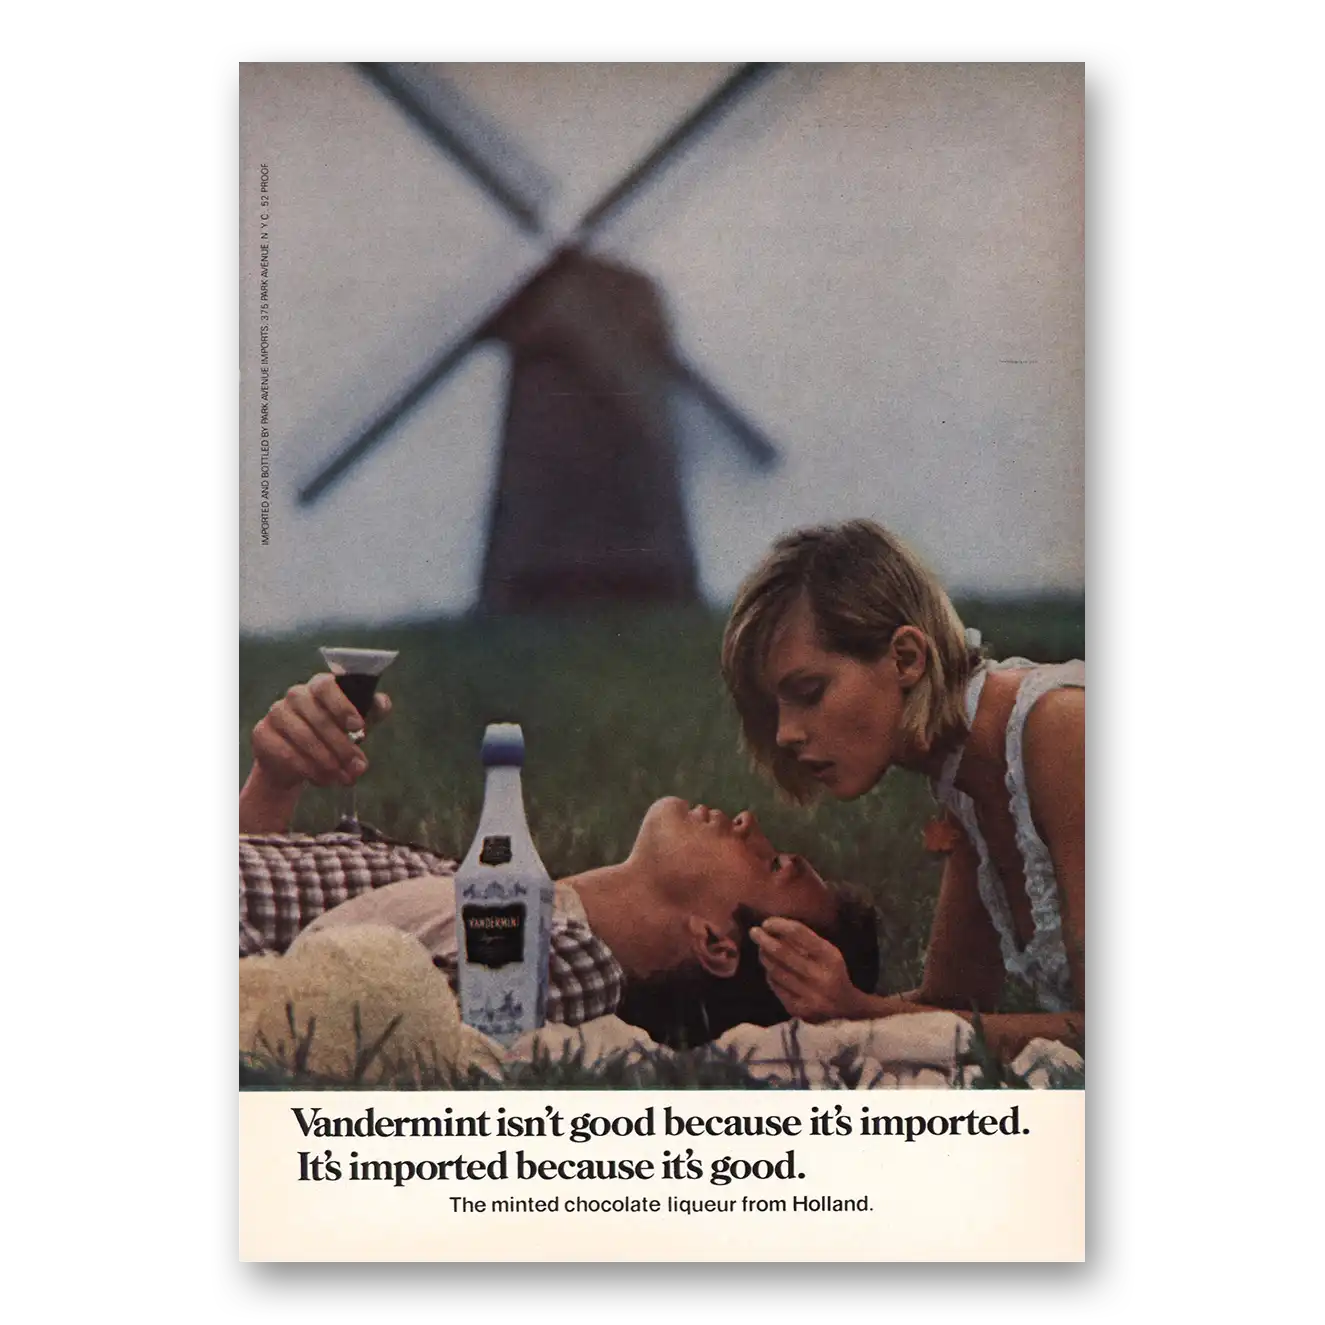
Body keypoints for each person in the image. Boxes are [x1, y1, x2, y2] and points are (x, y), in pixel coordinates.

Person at [238, 672, 879, 1048]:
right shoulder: (495, 888)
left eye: (772, 865)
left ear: (714, 942)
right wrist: (275, 780)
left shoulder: (566, 959)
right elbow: (295, 927)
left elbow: (320, 1012)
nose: (750, 823)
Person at [721, 518, 1085, 1059]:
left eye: (809, 692)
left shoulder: (1062, 732)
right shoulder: (969, 778)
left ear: (906, 658)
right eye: (774, 708)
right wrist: (796, 1027)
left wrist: (856, 1011)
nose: (785, 734)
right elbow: (951, 1004)